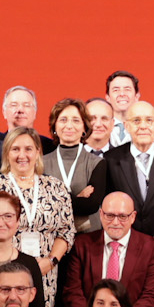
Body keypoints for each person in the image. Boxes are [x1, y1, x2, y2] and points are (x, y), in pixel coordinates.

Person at [0, 126, 75, 307]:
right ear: (7, 153)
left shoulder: (56, 187)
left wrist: (51, 261)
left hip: (45, 273)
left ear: (38, 152)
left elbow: (67, 231)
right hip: (4, 274)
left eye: (28, 149)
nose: (22, 155)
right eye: (15, 149)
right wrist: (8, 267)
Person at [60, 191, 154, 307]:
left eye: (122, 216)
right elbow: (73, 292)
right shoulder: (82, 244)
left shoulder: (152, 248)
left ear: (133, 217)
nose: (115, 222)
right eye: (109, 215)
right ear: (101, 214)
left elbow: (150, 296)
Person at [94, 100, 154, 243]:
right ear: (126, 126)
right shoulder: (112, 159)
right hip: (126, 243)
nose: (143, 126)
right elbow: (108, 203)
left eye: (149, 120)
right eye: (136, 120)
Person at [43, 98, 103, 234]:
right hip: (50, 238)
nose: (69, 126)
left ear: (84, 127)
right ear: (54, 127)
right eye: (63, 120)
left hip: (88, 240)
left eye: (76, 120)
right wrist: (78, 198)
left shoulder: (97, 163)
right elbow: (42, 203)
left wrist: (56, 198)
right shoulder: (40, 163)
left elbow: (91, 206)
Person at [1, 84, 50, 153]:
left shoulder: (50, 147)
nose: (20, 110)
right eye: (14, 105)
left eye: (26, 105)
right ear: (4, 112)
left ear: (35, 112)